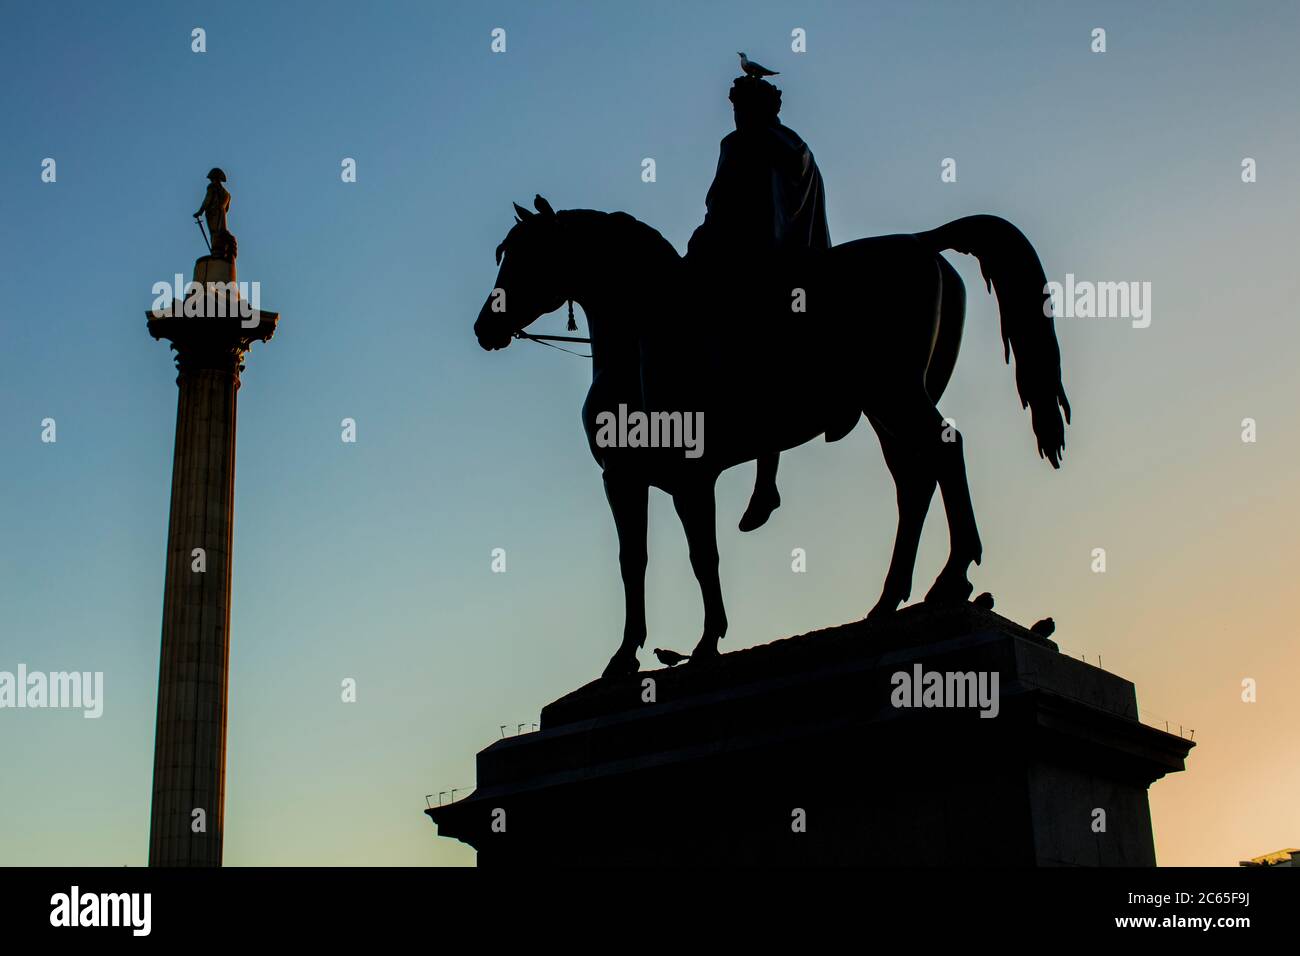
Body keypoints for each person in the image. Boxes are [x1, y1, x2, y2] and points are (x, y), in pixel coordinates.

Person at [686, 76, 831, 531]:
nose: (735, 114)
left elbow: (722, 206)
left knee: (695, 326)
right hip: (801, 266)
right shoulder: (796, 145)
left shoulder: (741, 142)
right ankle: (766, 480)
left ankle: (705, 426)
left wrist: (700, 243)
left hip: (754, 267)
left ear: (750, 108)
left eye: (738, 106)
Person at [194, 167, 236, 261]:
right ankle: (221, 250)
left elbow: (207, 200)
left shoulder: (212, 187)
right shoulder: (227, 194)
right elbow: (227, 209)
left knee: (214, 233)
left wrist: (200, 212)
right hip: (222, 215)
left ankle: (216, 251)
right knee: (221, 232)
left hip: (213, 213)